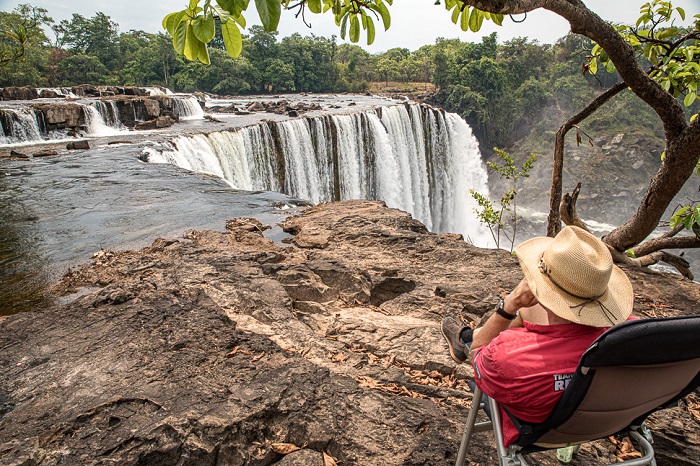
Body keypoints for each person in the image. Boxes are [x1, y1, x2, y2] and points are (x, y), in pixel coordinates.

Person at [441, 225, 634, 448]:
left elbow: (477, 355)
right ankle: (466, 334)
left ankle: (465, 337)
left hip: (539, 430)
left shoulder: (507, 357)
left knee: (474, 341)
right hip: (606, 420)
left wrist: (510, 305)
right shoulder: (632, 337)